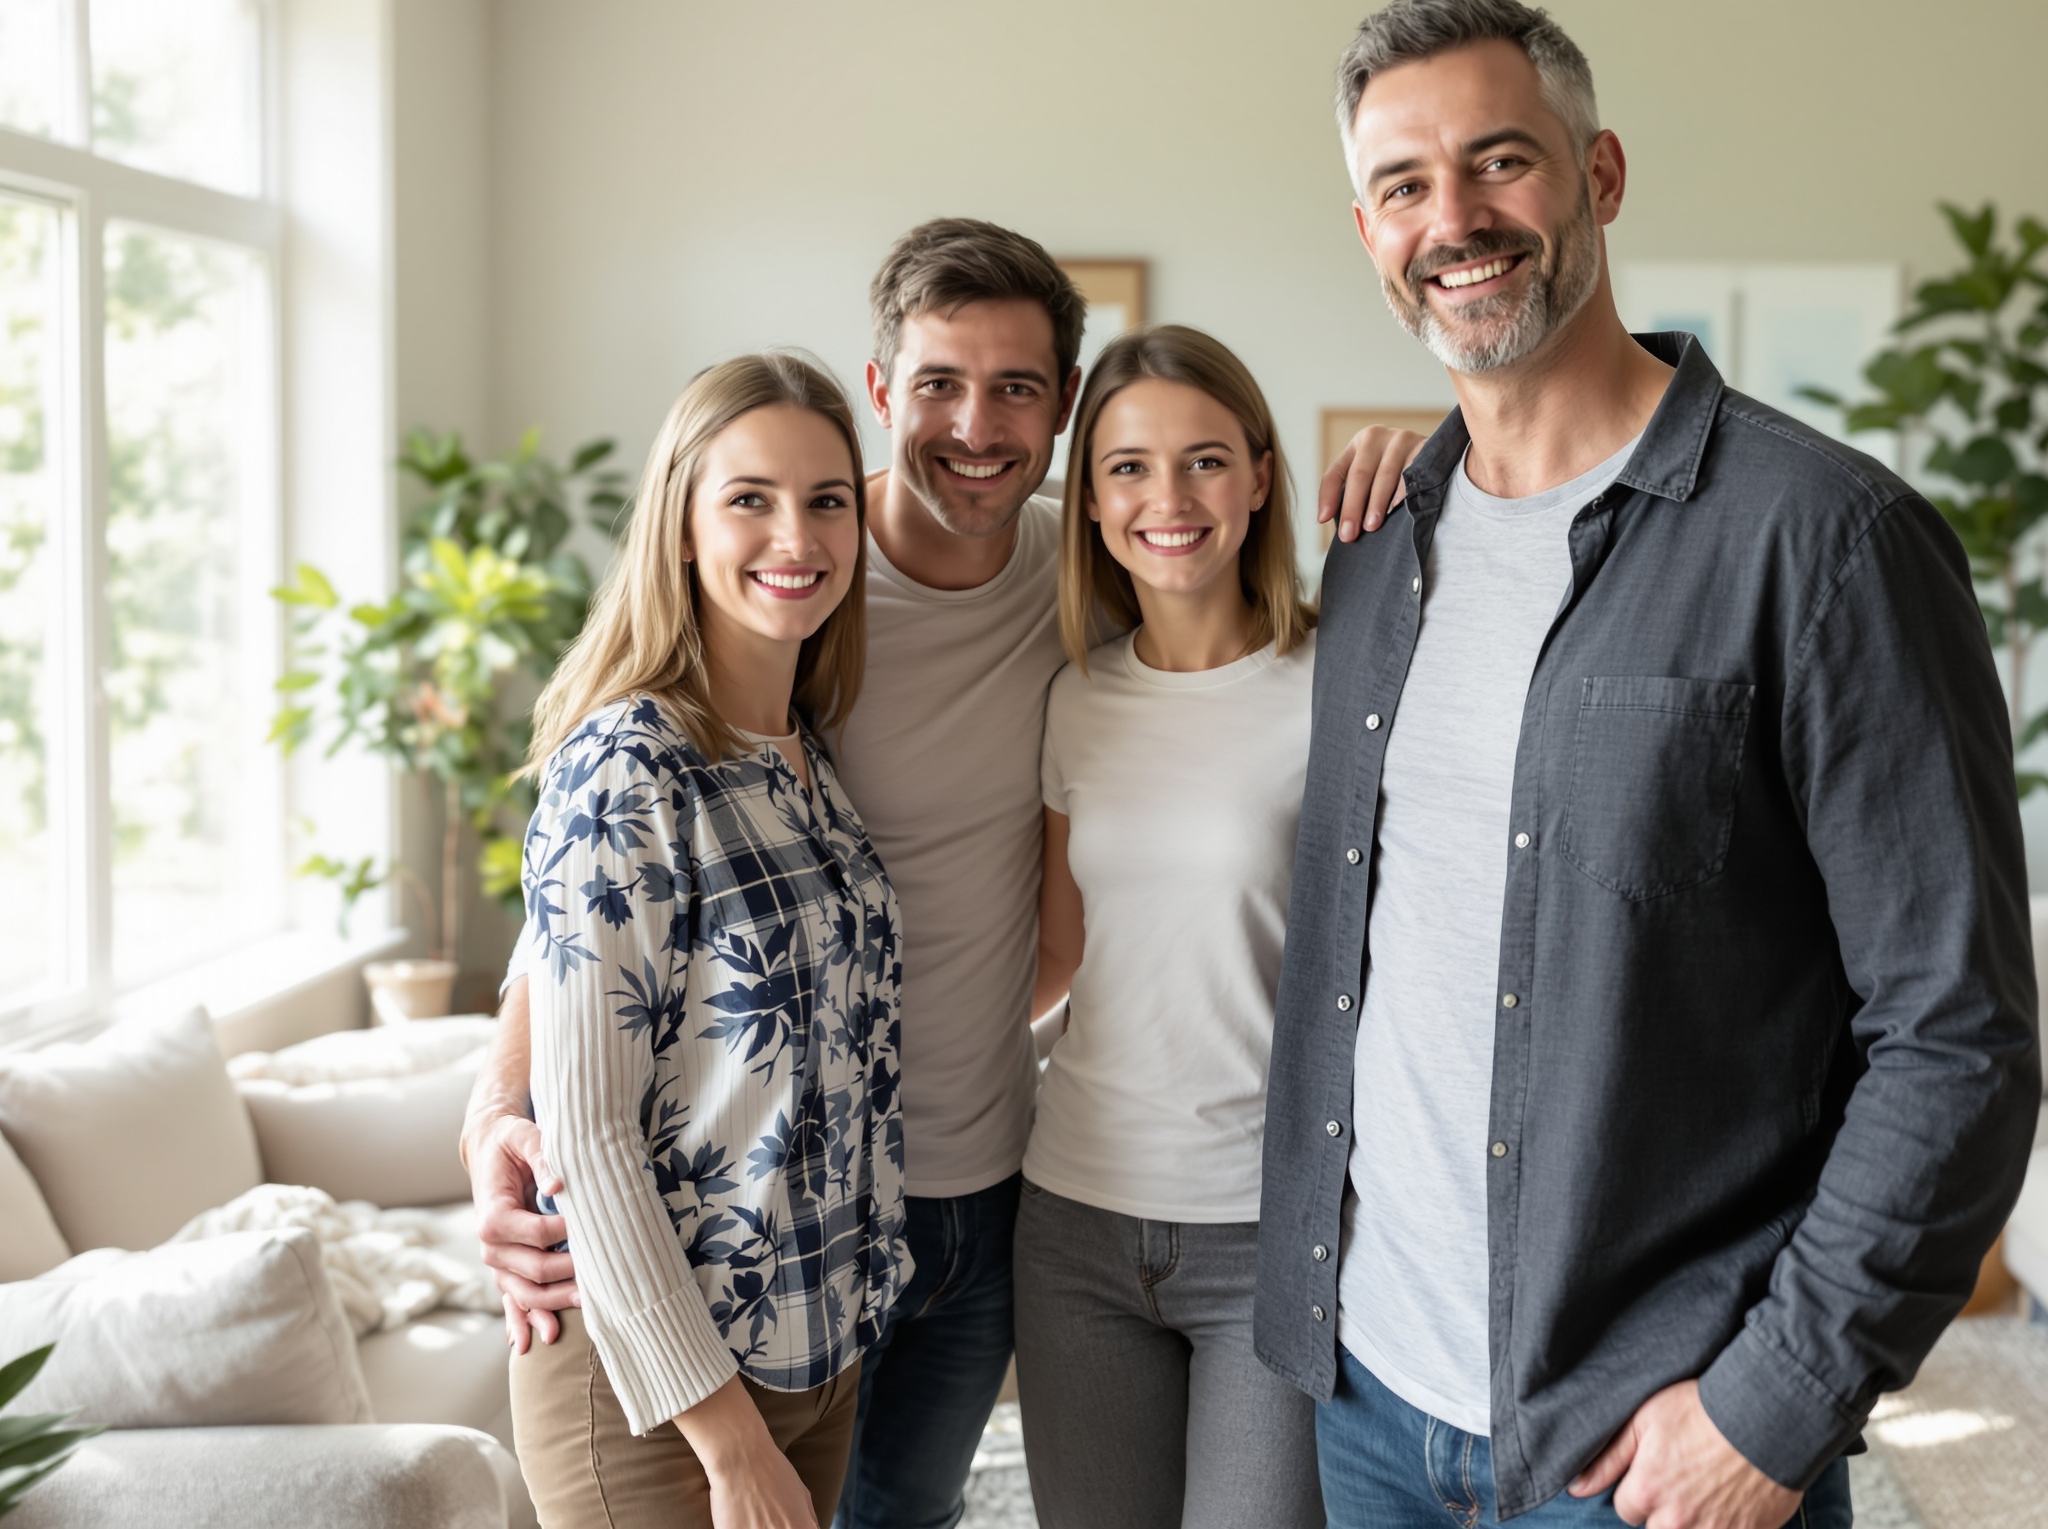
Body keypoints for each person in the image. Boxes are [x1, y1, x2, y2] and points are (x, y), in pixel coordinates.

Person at [466, 218, 1427, 1529]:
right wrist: (499, 1108)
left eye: (1016, 387)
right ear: (882, 390)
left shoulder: (1094, 582)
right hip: (777, 1205)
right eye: (939, 384)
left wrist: (1422, 470)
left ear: (1063, 408)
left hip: (994, 1190)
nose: (976, 426)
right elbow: (594, 905)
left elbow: (1118, 853)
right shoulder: (792, 593)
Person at [1255, 0, 2040, 1529]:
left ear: (1599, 176)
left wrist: (1776, 1407)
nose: (1455, 220)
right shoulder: (1377, 545)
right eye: (1405, 186)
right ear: (1367, 233)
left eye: (1501, 161)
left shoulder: (1827, 543)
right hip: (1369, 1400)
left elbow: (1957, 1036)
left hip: (1651, 1441)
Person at [508, 350, 905, 1529]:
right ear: (681, 525)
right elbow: (589, 1133)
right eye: (749, 498)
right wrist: (728, 1442)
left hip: (815, 1350)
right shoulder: (627, 766)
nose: (797, 534)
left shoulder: (806, 754)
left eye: (827, 499)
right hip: (658, 1391)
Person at [1014, 327, 1326, 1529]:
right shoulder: (1076, 697)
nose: (1169, 498)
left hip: (1271, 1231)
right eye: (1129, 467)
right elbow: (1058, 954)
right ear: (1089, 502)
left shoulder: (1338, 685)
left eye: (1204, 461)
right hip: (1076, 1220)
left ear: (1258, 478)